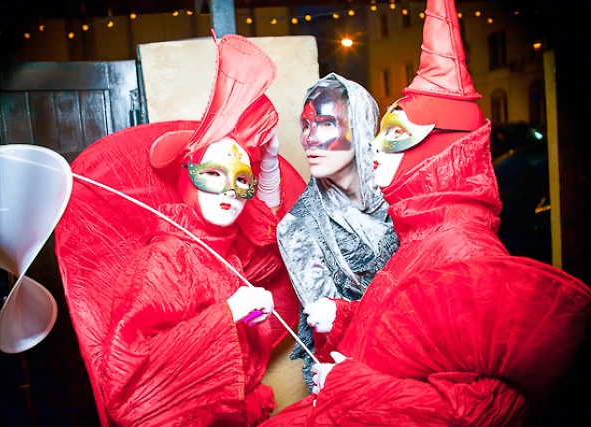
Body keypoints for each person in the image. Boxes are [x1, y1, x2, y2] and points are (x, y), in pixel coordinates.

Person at [259, 0, 591, 425]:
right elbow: (401, 328)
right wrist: (340, 320)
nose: (310, 139)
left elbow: (480, 405)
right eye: (305, 126)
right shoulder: (414, 227)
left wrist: (348, 383)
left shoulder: (457, 246)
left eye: (395, 134)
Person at [55, 33, 305, 427]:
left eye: (242, 180)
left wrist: (270, 163)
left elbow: (271, 251)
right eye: (213, 174)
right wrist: (227, 316)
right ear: (187, 177)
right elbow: (128, 385)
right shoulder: (165, 260)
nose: (230, 190)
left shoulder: (221, 248)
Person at [276, 74, 399, 388]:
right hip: (351, 372)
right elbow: (333, 326)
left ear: (361, 125)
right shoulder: (298, 227)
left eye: (327, 123)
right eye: (306, 125)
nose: (310, 139)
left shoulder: (401, 191)